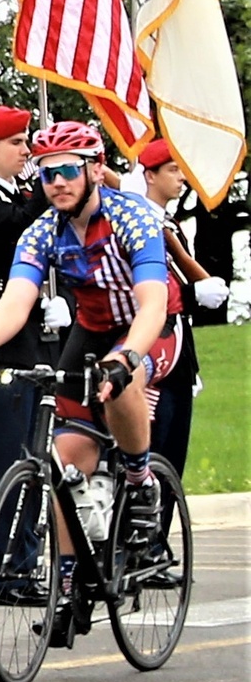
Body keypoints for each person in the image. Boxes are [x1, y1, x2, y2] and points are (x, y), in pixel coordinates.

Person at [0, 121, 169, 644]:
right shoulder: (42, 231)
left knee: (121, 379)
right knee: (65, 456)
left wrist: (126, 358)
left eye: (68, 170)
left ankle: (141, 484)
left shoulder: (131, 217)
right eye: (46, 172)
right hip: (93, 329)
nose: (56, 182)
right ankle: (70, 579)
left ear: (95, 169)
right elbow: (15, 302)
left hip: (152, 329)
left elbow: (153, 302)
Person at [0, 105, 70, 517]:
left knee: (35, 447)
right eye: (17, 142)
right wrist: (49, 171)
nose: (26, 150)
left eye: (26, 141)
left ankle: (26, 555)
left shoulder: (14, 193)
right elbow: (16, 226)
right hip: (0, 328)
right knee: (4, 454)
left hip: (33, 325)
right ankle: (4, 560)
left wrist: (58, 301)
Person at [137, 138, 229, 479]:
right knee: (153, 451)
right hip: (153, 351)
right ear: (149, 176)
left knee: (173, 458)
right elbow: (150, 290)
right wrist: (192, 296)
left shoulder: (170, 224)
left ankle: (160, 530)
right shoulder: (140, 224)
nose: (181, 178)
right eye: (172, 170)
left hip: (177, 349)